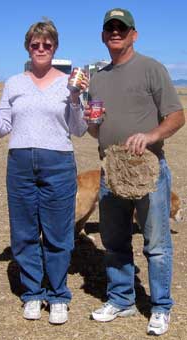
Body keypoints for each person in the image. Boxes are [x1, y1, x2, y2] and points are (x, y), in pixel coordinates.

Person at [0, 20, 88, 324]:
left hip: (59, 164)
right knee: (23, 232)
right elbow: (3, 128)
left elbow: (79, 130)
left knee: (58, 233)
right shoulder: (14, 83)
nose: (41, 49)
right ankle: (33, 293)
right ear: (28, 47)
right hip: (20, 165)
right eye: (35, 44)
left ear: (55, 47)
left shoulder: (69, 82)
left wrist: (76, 99)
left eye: (47, 44)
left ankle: (58, 294)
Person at [86, 8, 185, 336]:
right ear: (103, 36)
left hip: (148, 172)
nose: (116, 32)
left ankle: (160, 307)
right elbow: (95, 130)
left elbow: (176, 116)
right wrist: (91, 124)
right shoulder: (98, 78)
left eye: (122, 28)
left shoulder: (151, 69)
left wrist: (151, 136)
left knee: (156, 244)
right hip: (111, 173)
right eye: (110, 28)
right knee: (114, 241)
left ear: (133, 34)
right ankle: (121, 299)